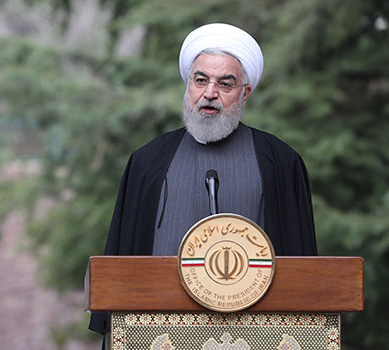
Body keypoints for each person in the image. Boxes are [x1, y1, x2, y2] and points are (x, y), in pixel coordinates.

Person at [89, 23, 318, 341]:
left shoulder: (280, 162)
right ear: (188, 84)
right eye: (201, 80)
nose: (210, 93)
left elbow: (303, 272)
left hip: (254, 338)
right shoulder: (148, 161)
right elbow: (122, 258)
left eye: (225, 84)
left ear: (245, 92)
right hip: (160, 336)